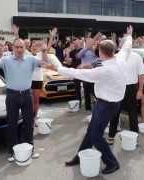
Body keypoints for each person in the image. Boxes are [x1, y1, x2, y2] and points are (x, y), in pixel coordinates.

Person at [54, 26, 134, 175]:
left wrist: (57, 68)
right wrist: (129, 35)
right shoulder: (121, 58)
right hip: (106, 104)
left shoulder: (104, 69)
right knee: (91, 131)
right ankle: (80, 156)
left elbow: (78, 73)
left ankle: (112, 162)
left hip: (107, 106)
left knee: (96, 136)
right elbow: (127, 46)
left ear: (100, 52)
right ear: (113, 50)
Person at [0, 38, 50, 163]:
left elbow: (45, 63)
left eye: (21, 47)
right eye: (17, 47)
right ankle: (12, 151)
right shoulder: (6, 60)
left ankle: (29, 150)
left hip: (27, 95)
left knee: (28, 123)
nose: (19, 49)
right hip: (12, 95)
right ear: (13, 48)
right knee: (12, 124)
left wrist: (44, 50)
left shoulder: (31, 59)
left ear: (25, 48)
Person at [107, 35, 144, 144]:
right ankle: (111, 136)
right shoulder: (115, 56)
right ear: (120, 45)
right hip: (118, 87)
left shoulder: (137, 57)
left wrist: (140, 90)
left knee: (133, 113)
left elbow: (141, 75)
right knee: (115, 112)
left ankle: (135, 137)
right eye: (124, 43)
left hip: (131, 88)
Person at [76, 36, 98, 111]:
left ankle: (97, 106)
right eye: (88, 42)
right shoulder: (84, 50)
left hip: (94, 74)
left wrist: (91, 48)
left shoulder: (95, 50)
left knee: (95, 91)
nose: (89, 43)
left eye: (91, 42)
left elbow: (98, 58)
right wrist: (86, 48)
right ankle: (88, 108)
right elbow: (78, 56)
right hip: (85, 74)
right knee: (86, 91)